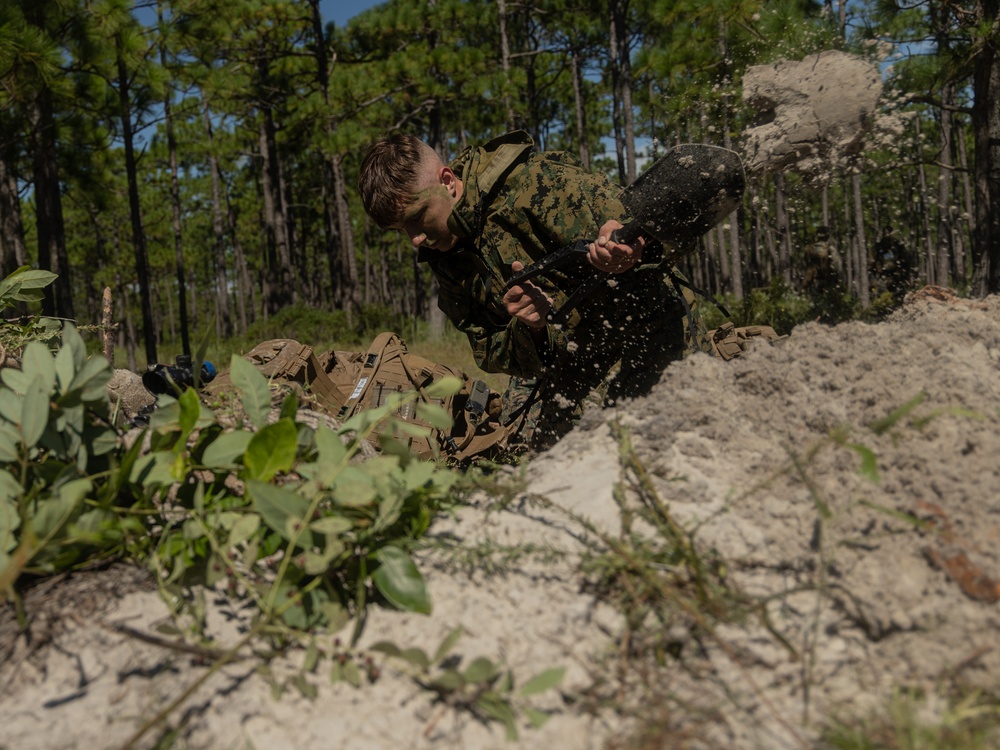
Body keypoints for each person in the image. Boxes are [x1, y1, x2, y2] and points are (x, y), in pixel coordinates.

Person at [358, 130, 697, 450]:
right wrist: (532, 329)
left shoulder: (536, 183)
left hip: (647, 322)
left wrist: (629, 247)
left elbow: (656, 232)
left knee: (653, 439)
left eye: (418, 217)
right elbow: (488, 349)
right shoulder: (444, 257)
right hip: (572, 357)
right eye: (401, 229)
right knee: (530, 455)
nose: (415, 239)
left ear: (447, 182)